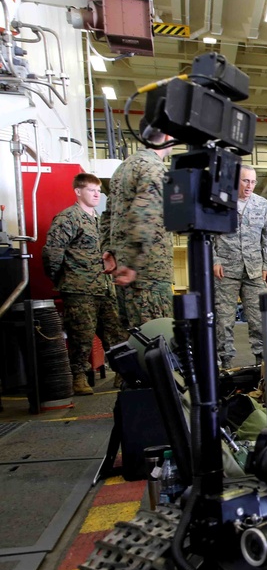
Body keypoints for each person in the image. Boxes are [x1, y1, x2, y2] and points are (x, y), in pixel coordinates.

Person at [43, 173, 130, 395]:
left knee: (117, 335)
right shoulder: (68, 218)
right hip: (79, 289)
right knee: (81, 336)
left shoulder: (99, 222)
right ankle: (79, 378)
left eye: (98, 190)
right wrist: (62, 279)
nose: (96, 194)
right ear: (78, 191)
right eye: (91, 190)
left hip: (104, 288)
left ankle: (123, 373)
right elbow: (52, 253)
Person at [104, 117, 174, 327]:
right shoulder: (154, 168)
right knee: (157, 340)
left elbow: (107, 216)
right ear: (168, 137)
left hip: (123, 271)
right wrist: (134, 265)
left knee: (134, 341)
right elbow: (144, 214)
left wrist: (107, 250)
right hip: (147, 274)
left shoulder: (122, 169)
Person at [213, 165, 267, 368]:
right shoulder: (220, 203)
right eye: (245, 181)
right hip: (226, 271)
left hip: (255, 270)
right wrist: (214, 260)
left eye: (253, 181)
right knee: (224, 320)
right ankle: (225, 361)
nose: (249, 185)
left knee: (260, 318)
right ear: (235, 181)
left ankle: (262, 361)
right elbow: (206, 235)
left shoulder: (262, 204)